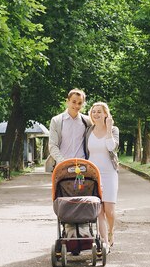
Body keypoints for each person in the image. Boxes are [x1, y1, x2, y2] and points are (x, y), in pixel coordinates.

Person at [86, 101, 119, 252]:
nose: (96, 114)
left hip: (109, 173)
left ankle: (111, 232)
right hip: (93, 174)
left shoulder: (113, 130)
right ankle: (104, 241)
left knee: (109, 210)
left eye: (99, 111)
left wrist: (108, 129)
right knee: (98, 209)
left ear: (106, 114)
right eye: (94, 111)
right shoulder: (88, 131)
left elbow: (111, 147)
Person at [45, 88, 91, 172]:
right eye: (74, 102)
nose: (76, 106)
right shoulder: (57, 121)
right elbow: (52, 146)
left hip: (82, 167)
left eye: (80, 103)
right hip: (63, 167)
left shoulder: (87, 121)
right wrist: (62, 162)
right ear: (67, 101)